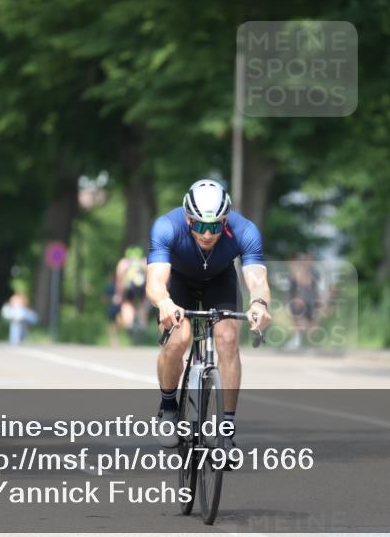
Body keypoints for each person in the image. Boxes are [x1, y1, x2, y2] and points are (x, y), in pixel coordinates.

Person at [146, 179, 272, 449]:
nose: (206, 234)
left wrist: (259, 303)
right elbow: (155, 281)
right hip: (178, 283)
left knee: (227, 338)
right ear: (188, 219)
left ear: (225, 221)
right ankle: (168, 407)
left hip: (219, 280)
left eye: (214, 226)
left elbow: (257, 277)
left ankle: (226, 429)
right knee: (178, 340)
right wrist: (165, 302)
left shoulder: (245, 230)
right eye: (200, 226)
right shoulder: (167, 226)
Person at [115, 245, 149, 340]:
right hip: (141, 287)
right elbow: (148, 277)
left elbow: (119, 278)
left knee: (127, 303)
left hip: (129, 287)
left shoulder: (123, 262)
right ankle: (142, 325)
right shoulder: (144, 261)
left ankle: (129, 324)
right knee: (142, 304)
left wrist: (119, 294)